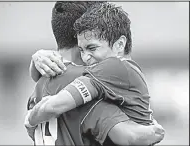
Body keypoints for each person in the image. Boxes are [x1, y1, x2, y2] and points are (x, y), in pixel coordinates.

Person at [25, 2, 164, 146]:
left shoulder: (38, 89)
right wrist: (156, 132)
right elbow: (129, 136)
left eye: (92, 48)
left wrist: (30, 120)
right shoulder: (93, 87)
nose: (86, 57)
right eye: (83, 50)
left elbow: (45, 114)